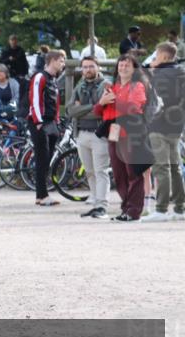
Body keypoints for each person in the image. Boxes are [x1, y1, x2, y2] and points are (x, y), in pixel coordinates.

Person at [94, 54, 149, 221]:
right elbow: (98, 112)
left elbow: (133, 108)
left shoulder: (137, 86)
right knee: (119, 175)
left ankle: (133, 212)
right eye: (121, 64)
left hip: (131, 134)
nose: (123, 67)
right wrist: (102, 102)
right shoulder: (113, 86)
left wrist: (115, 100)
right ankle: (125, 208)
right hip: (113, 134)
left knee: (133, 173)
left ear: (134, 69)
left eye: (127, 65)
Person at [141, 42, 185, 222]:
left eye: (156, 55)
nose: (154, 59)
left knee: (161, 167)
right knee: (175, 167)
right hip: (176, 126)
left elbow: (152, 100)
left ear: (164, 57)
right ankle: (180, 208)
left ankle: (160, 209)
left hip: (158, 125)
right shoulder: (182, 72)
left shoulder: (157, 74)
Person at [68, 55, 111, 219]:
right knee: (90, 172)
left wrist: (85, 109)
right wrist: (95, 106)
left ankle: (102, 206)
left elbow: (100, 113)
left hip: (100, 134)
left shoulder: (105, 84)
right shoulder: (79, 85)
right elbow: (71, 110)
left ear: (98, 67)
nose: (88, 70)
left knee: (101, 171)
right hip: (82, 134)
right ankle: (95, 203)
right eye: (85, 67)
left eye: (91, 66)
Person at [27, 50, 65, 206]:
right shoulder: (40, 76)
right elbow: (34, 99)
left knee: (47, 159)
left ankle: (41, 194)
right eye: (62, 61)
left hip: (51, 123)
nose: (63, 64)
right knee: (42, 158)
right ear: (53, 60)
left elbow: (55, 102)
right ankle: (42, 195)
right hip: (40, 122)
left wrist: (56, 121)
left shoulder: (53, 79)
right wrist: (38, 122)